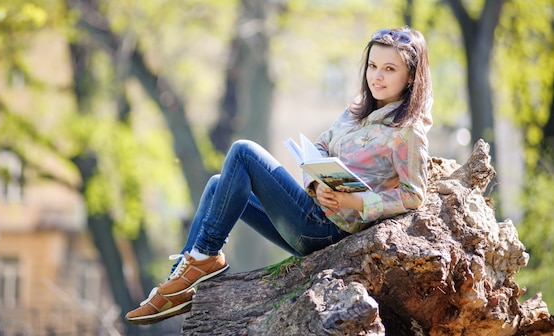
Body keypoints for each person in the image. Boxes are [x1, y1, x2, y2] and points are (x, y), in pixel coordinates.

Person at [126, 26, 433, 325]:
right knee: (218, 185)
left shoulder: (408, 133)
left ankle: (202, 260)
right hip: (313, 212)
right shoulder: (356, 111)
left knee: (244, 151)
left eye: (390, 69)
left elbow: (413, 194)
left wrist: (354, 201)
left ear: (410, 77)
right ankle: (182, 277)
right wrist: (315, 183)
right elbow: (321, 146)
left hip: (329, 230)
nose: (377, 76)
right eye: (373, 66)